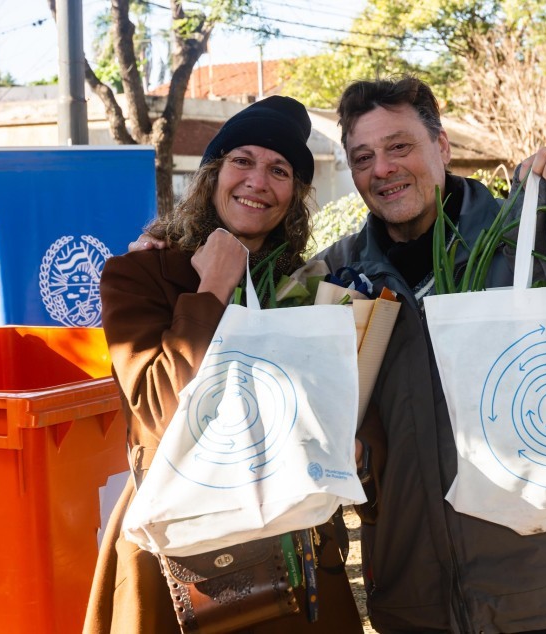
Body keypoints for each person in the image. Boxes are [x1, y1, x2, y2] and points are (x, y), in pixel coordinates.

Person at [132, 77, 546, 633]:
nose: (381, 168)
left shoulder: (532, 240)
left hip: (541, 585)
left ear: (442, 145)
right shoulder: (328, 280)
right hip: (411, 594)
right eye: (361, 157)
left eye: (399, 146)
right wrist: (169, 260)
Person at [85, 95, 365, 634]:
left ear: (294, 197)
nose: (258, 181)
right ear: (213, 173)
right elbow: (158, 411)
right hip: (183, 560)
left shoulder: (304, 290)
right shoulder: (140, 275)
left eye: (279, 170)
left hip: (292, 544)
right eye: (243, 160)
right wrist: (211, 288)